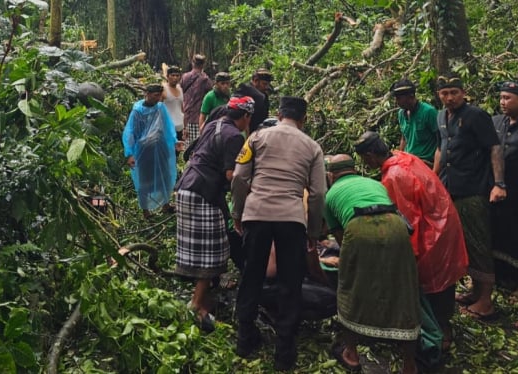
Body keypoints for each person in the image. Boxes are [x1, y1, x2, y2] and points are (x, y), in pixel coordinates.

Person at [231, 96, 326, 371]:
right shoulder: (312, 146)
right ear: (303, 119)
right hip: (291, 219)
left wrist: (238, 213)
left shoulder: (257, 138)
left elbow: (239, 178)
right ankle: (285, 352)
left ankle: (244, 339)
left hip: (257, 214)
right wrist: (313, 231)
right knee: (290, 282)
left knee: (251, 276)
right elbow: (318, 193)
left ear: (279, 113)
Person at [355, 131, 468, 349]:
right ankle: (443, 325)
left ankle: (440, 332)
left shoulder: (394, 177)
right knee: (442, 280)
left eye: (363, 159)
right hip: (442, 222)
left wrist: (406, 255)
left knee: (432, 282)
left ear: (370, 155)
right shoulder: (405, 158)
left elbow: (407, 221)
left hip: (432, 231)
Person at [323, 154, 420, 374]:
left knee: (350, 286)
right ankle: (409, 364)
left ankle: (352, 353)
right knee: (403, 287)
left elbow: (341, 240)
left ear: (331, 175)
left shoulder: (329, 196)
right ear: (354, 170)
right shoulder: (374, 183)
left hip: (358, 227)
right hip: (395, 226)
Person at [173, 96, 255, 332]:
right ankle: (197, 306)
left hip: (187, 187)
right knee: (212, 252)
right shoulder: (233, 137)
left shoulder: (213, 124)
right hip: (203, 192)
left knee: (199, 248)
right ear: (246, 117)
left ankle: (201, 298)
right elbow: (232, 175)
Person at [434, 74, 506, 320]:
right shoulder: (440, 116)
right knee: (463, 243)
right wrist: (434, 180)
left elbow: (494, 148)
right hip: (449, 188)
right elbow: (439, 149)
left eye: (454, 92)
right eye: (444, 93)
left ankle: (486, 301)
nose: (449, 98)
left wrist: (498, 183)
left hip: (473, 189)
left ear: (463, 93)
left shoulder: (476, 116)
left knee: (478, 242)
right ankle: (475, 292)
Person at [490, 81, 518, 330]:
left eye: (508, 98)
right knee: (502, 238)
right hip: (499, 193)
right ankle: (505, 279)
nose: (503, 102)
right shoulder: (496, 123)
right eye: (501, 97)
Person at [122, 84, 180, 219]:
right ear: (147, 94)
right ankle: (146, 211)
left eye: (160, 96)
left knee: (164, 176)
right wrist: (129, 153)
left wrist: (174, 140)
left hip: (160, 148)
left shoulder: (160, 108)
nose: (158, 98)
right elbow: (130, 132)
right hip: (144, 151)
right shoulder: (138, 111)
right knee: (144, 180)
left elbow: (168, 126)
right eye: (155, 96)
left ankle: (166, 205)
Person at [389, 79, 439, 164]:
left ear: (411, 96)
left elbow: (441, 141)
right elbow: (404, 138)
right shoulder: (401, 113)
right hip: (409, 160)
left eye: (399, 98)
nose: (396, 101)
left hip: (426, 161)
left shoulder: (428, 112)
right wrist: (400, 157)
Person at [180, 54, 213, 148]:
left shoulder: (184, 77)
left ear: (192, 63)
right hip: (199, 119)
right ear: (203, 65)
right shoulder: (205, 79)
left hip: (186, 119)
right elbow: (211, 93)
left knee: (187, 150)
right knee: (198, 148)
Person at [234, 68, 272, 134]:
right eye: (264, 84)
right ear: (255, 81)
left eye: (268, 84)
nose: (266, 87)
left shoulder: (264, 95)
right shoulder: (244, 93)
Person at [162, 65, 184, 141]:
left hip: (180, 126)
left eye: (177, 75)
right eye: (173, 75)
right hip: (167, 127)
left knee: (178, 151)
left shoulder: (180, 89)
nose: (175, 78)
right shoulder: (163, 89)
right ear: (167, 76)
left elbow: (182, 108)